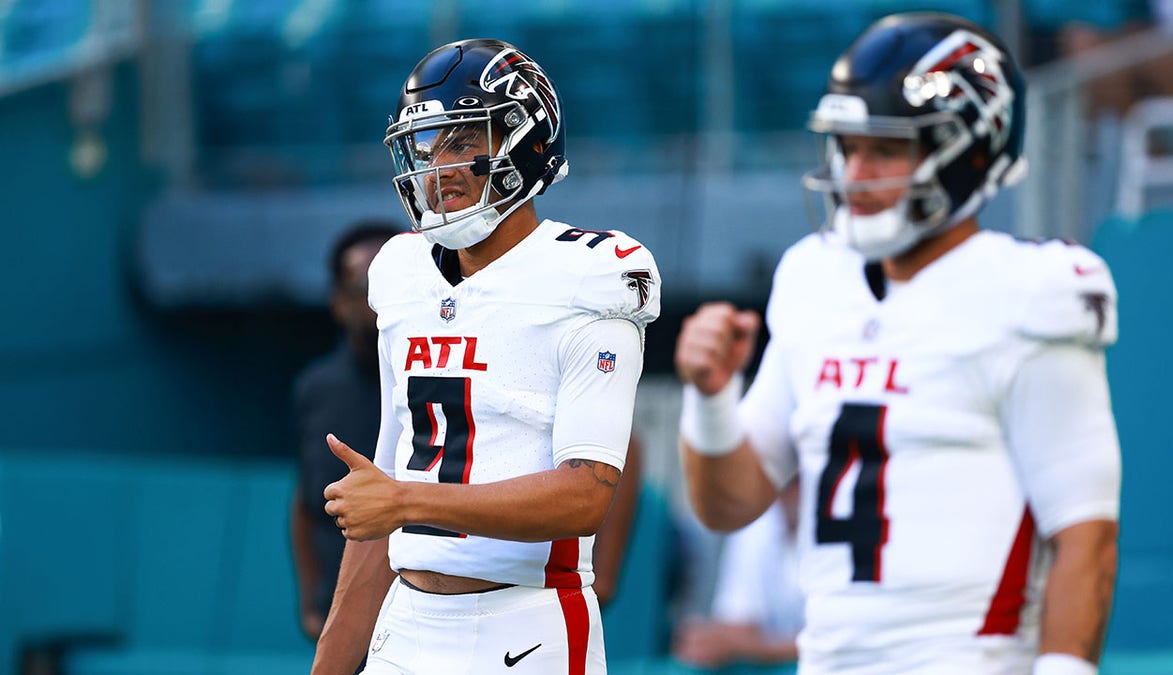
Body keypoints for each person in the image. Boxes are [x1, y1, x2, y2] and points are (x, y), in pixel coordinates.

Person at [674, 12, 1121, 675]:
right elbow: (730, 503)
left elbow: (1086, 533)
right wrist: (710, 397)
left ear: (971, 149)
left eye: (885, 149)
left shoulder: (1030, 290)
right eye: (848, 146)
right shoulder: (812, 276)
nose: (855, 173)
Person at [311, 38, 660, 675]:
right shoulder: (400, 271)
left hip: (525, 624)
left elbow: (586, 495)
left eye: (462, 143)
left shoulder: (593, 273)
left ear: (524, 143)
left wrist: (408, 503)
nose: (436, 168)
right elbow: (382, 492)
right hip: (405, 624)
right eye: (426, 146)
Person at [290, 220, 404, 642]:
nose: (376, 302)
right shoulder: (316, 388)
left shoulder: (446, 377)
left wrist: (604, 579)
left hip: (426, 616)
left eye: (386, 286)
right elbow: (304, 504)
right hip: (345, 627)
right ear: (338, 301)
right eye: (363, 288)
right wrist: (311, 602)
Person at [671, 480, 803, 672]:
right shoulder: (758, 522)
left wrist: (740, 646)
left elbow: (839, 638)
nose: (790, 488)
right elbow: (738, 625)